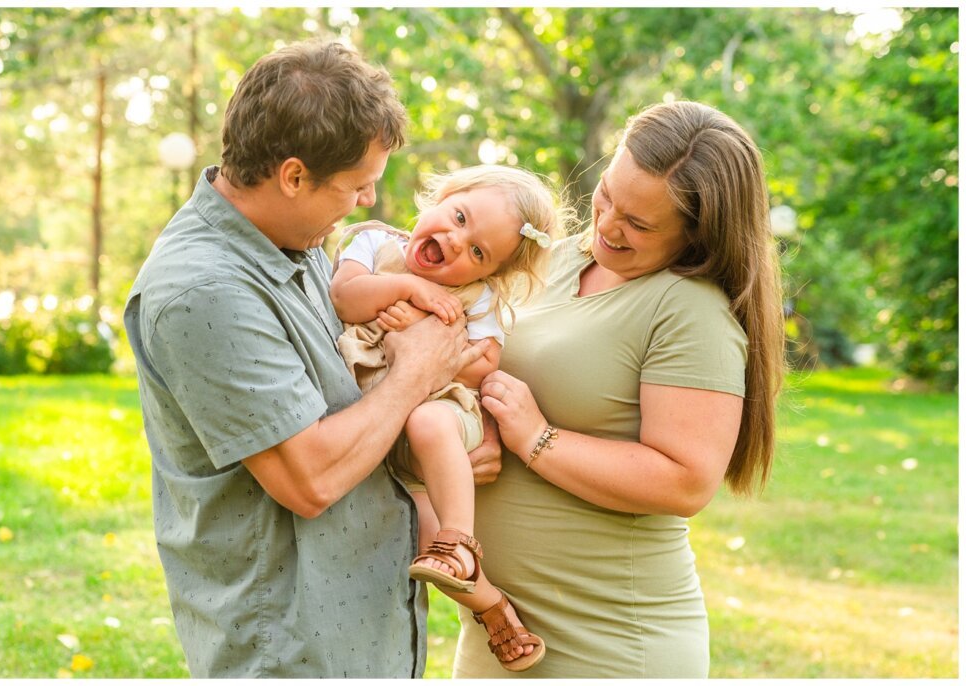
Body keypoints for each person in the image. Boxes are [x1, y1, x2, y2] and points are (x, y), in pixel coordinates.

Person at [123, 41, 497, 678]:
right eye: (357, 186)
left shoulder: (293, 246)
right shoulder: (205, 290)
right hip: (290, 647)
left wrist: (441, 446)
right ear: (293, 176)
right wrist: (417, 374)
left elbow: (344, 407)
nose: (367, 204)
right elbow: (309, 479)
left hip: (359, 631)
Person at [451, 100, 786, 678]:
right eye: (607, 197)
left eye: (640, 223)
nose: (607, 226)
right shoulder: (551, 262)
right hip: (500, 633)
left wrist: (535, 438)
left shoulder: (688, 310)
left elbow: (685, 480)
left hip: (611, 642)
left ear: (697, 232)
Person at [330, 164, 564, 671]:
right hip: (372, 424)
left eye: (478, 252)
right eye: (458, 217)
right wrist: (410, 294)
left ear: (488, 274)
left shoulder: (479, 298)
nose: (456, 242)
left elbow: (483, 363)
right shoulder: (372, 245)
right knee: (411, 540)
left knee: (429, 427)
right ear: (443, 197)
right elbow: (345, 296)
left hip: (433, 417)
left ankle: (459, 542)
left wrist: (432, 350)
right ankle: (490, 603)